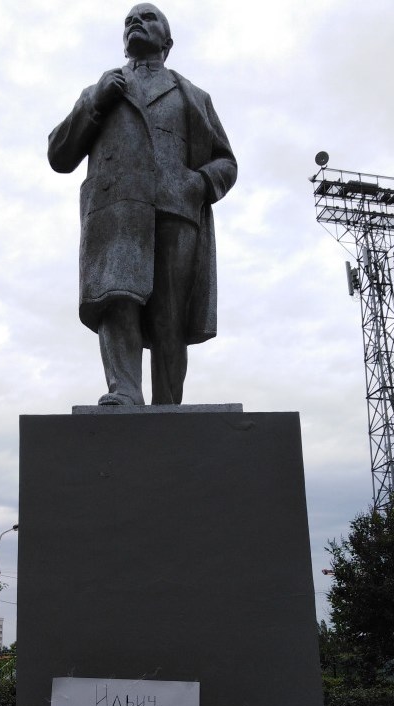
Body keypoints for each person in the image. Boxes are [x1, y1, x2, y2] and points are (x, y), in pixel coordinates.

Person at [48, 4, 236, 406]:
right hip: (115, 210)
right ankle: (125, 391)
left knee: (170, 316)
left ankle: (167, 405)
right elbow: (58, 154)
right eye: (129, 20)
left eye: (148, 17)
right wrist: (94, 103)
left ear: (167, 42)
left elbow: (226, 162)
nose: (135, 21)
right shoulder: (102, 90)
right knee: (117, 299)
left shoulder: (193, 96)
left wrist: (198, 183)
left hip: (175, 211)